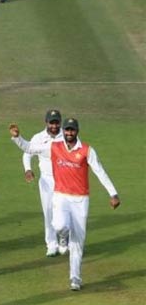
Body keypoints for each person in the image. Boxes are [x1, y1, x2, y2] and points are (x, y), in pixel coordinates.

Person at [9, 118, 120, 291]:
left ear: (77, 131)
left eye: (72, 130)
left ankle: (75, 278)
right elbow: (30, 148)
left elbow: (99, 171)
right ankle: (62, 236)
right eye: (67, 130)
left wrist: (113, 193)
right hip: (61, 195)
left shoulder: (86, 150)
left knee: (78, 241)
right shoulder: (55, 147)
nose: (69, 133)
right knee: (59, 224)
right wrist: (17, 137)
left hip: (81, 199)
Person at [22, 109, 64, 257]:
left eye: (56, 122)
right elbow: (27, 154)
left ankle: (65, 241)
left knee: (65, 212)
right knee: (48, 212)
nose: (54, 125)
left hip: (65, 180)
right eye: (51, 122)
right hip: (46, 180)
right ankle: (51, 244)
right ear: (46, 122)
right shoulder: (38, 137)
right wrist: (28, 170)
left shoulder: (67, 136)